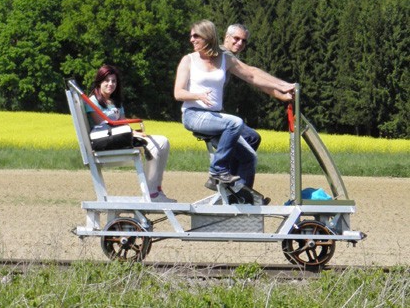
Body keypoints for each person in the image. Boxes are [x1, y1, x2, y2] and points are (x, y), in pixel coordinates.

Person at [174, 20, 294, 201]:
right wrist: (197, 95)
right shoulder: (192, 58)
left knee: (250, 153)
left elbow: (252, 75)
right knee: (235, 123)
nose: (240, 43)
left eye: (244, 41)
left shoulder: (225, 58)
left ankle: (241, 196)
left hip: (215, 114)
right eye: (236, 39)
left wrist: (282, 89)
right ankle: (218, 172)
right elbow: (178, 92)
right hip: (195, 114)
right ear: (225, 38)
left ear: (208, 37)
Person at [87, 65, 175, 203]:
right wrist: (131, 134)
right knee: (151, 146)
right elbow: (104, 125)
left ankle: (156, 188)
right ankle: (151, 194)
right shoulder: (92, 101)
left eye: (114, 81)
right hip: (107, 140)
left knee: (163, 141)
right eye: (107, 80)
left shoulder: (116, 102)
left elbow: (122, 122)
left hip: (120, 135)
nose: (110, 84)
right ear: (99, 82)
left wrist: (134, 133)